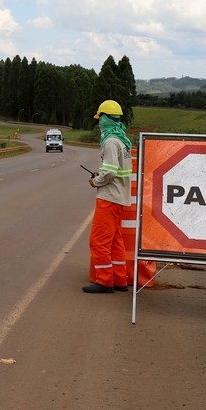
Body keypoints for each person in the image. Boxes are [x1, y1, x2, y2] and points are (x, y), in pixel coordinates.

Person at [83, 99, 132, 294]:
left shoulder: (110, 142)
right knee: (114, 241)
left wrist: (96, 181)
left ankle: (104, 281)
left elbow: (110, 172)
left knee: (99, 241)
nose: (99, 122)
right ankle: (120, 279)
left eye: (100, 117)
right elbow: (116, 170)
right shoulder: (122, 140)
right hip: (119, 197)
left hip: (109, 197)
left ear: (105, 118)